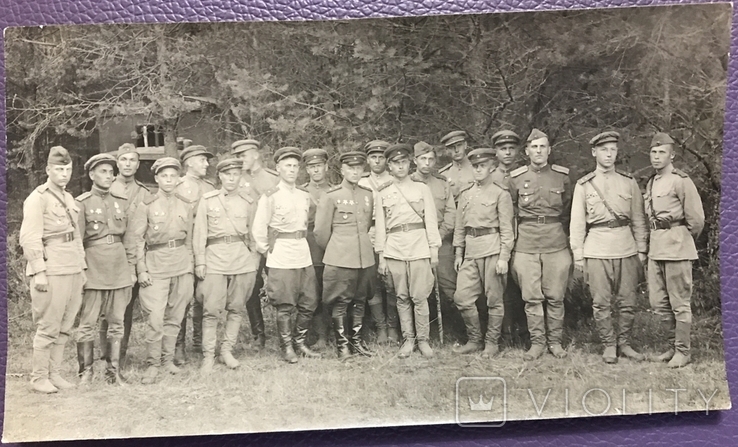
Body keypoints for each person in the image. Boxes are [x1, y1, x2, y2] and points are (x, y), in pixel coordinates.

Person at [569, 131, 649, 364]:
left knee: (628, 300)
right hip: (596, 249)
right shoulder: (584, 185)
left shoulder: (628, 182)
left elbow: (638, 219)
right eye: (604, 150)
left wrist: (641, 249)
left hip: (626, 247)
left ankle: (624, 343)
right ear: (594, 152)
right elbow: (577, 223)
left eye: (613, 150)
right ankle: (609, 345)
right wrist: (578, 254)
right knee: (601, 301)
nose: (609, 154)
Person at [19, 146, 87, 394]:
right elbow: (29, 238)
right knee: (48, 325)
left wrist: (82, 266)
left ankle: (55, 375)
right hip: (52, 269)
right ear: (48, 170)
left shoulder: (69, 198)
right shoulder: (38, 198)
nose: (64, 174)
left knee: (65, 325)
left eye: (68, 169)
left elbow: (75, 235)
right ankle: (39, 378)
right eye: (59, 169)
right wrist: (39, 272)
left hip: (72, 267)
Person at [126, 157, 195, 384]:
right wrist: (141, 270)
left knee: (175, 317)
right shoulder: (146, 205)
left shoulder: (186, 203)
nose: (168, 180)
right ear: (157, 178)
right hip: (155, 266)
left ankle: (167, 361)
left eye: (173, 176)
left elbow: (190, 239)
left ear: (178, 179)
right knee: (155, 318)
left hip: (181, 266)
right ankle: (152, 364)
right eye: (164, 176)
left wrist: (191, 268)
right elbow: (137, 240)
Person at [252, 147, 321, 363]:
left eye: (294, 166)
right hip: (280, 253)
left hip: (302, 251)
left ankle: (300, 342)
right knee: (284, 303)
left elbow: (313, 220)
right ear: (278, 168)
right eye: (287, 166)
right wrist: (267, 251)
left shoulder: (304, 195)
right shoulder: (270, 196)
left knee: (310, 300)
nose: (291, 170)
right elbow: (259, 228)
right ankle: (287, 346)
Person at [509, 128, 572, 361]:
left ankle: (555, 342)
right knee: (531, 296)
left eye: (542, 147)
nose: (538, 151)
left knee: (555, 295)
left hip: (555, 241)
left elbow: (567, 210)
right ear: (527, 151)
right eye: (534, 147)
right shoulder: (515, 178)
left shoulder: (561, 177)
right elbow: (512, 212)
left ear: (549, 150)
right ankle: (537, 344)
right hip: (526, 242)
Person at [375, 143, 442, 358]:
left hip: (419, 247)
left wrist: (434, 249)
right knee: (401, 297)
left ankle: (423, 340)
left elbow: (430, 220)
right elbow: (380, 228)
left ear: (409, 163)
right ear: (390, 167)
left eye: (404, 162)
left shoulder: (421, 188)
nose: (400, 166)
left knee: (419, 297)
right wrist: (381, 256)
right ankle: (408, 339)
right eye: (396, 163)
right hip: (394, 249)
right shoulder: (383, 192)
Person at [645, 132, 705, 368]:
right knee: (658, 302)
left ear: (672, 156)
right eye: (653, 152)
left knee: (679, 302)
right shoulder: (652, 182)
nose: (657, 157)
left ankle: (683, 351)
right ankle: (672, 347)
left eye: (661, 152)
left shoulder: (681, 180)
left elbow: (697, 220)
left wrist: (682, 237)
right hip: (656, 248)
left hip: (678, 247)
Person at [193, 157, 259, 373]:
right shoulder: (208, 199)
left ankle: (226, 351)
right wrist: (200, 261)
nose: (231, 178)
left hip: (241, 261)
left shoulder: (249, 202)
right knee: (211, 310)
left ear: (240, 177)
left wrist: (254, 262)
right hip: (215, 260)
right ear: (220, 176)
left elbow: (253, 235)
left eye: (236, 174)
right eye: (227, 174)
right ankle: (208, 355)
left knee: (236, 308)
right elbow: (200, 233)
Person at [75, 153, 136, 385]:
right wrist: (81, 270)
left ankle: (114, 372)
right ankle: (86, 373)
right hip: (94, 266)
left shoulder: (121, 201)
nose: (109, 176)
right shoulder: (82, 203)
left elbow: (129, 239)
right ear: (92, 175)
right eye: (103, 171)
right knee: (88, 322)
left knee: (117, 321)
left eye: (111, 172)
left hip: (118, 266)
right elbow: (78, 242)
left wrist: (131, 268)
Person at [451, 148, 515, 357]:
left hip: (492, 250)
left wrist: (504, 257)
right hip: (470, 251)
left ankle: (492, 343)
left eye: (482, 166)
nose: (478, 170)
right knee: (462, 297)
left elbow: (507, 229)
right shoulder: (466, 193)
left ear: (492, 168)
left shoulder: (500, 193)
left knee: (494, 300)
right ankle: (474, 340)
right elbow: (460, 226)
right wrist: (459, 252)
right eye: (475, 166)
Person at [314, 151, 377, 358]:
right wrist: (335, 250)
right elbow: (321, 232)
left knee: (360, 300)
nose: (355, 171)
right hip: (340, 257)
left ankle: (356, 343)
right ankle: (342, 346)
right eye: (350, 168)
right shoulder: (332, 196)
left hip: (364, 257)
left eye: (359, 168)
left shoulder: (367, 194)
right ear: (342, 170)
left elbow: (366, 226)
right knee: (341, 302)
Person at [411, 141, 462, 342]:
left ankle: (460, 332)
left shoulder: (442, 183)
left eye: (431, 159)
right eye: (423, 159)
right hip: (414, 244)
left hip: (441, 244)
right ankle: (416, 334)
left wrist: (437, 238)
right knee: (416, 290)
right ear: (414, 161)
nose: (427, 163)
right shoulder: (406, 183)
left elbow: (451, 214)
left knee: (451, 288)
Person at [106, 143, 151, 369]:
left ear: (138, 164)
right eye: (124, 160)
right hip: (108, 256)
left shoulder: (144, 192)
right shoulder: (106, 187)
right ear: (117, 163)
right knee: (108, 308)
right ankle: (106, 354)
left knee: (126, 308)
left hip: (131, 257)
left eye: (132, 160)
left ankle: (119, 356)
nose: (128, 164)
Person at [232, 139, 279, 349]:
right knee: (251, 287)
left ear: (255, 155)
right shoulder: (235, 179)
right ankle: (258, 335)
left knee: (280, 285)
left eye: (243, 156)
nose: (240, 160)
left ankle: (284, 331)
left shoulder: (272, 178)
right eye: (238, 156)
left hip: (273, 240)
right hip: (248, 242)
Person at [174, 144, 215, 366]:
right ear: (189, 162)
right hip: (185, 247)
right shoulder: (179, 186)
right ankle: (178, 345)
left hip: (208, 247)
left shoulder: (210, 187)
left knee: (204, 295)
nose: (206, 164)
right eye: (202, 160)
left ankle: (199, 341)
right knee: (183, 298)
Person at [490, 130, 529, 348]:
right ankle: (504, 334)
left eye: (511, 148)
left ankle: (524, 334)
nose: (507, 152)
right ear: (496, 152)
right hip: (498, 239)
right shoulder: (490, 176)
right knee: (501, 289)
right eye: (503, 148)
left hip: (523, 237)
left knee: (523, 287)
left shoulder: (523, 175)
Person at [358, 139, 400, 344]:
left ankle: (393, 327)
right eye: (373, 157)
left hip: (392, 233)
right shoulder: (361, 182)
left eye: (381, 157)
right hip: (368, 233)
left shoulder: (395, 179)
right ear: (367, 160)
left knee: (391, 282)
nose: (377, 161)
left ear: (387, 160)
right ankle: (381, 327)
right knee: (372, 283)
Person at [301, 148, 333, 350]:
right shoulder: (302, 192)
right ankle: (318, 335)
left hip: (334, 246)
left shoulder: (336, 190)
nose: (316, 171)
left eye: (319, 166)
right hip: (311, 247)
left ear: (326, 167)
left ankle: (338, 333)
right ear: (307, 170)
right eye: (311, 167)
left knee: (334, 291)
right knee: (314, 292)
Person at [438, 130, 475, 202]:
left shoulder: (477, 168)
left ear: (465, 145)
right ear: (447, 150)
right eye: (452, 147)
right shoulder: (443, 174)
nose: (456, 150)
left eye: (459, 145)